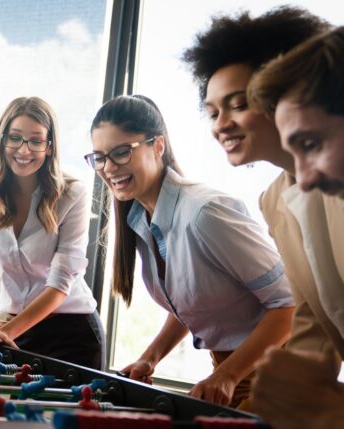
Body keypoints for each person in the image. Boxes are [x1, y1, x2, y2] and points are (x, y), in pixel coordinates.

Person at [181, 5, 342, 417]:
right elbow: (313, 328)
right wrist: (261, 413)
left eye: (237, 104)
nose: (221, 125)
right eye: (213, 111)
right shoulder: (274, 200)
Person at [87, 95, 294, 407]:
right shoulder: (141, 219)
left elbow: (288, 305)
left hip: (278, 374)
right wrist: (149, 359)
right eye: (99, 157)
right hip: (230, 371)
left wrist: (227, 374)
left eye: (120, 152)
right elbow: (191, 304)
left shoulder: (205, 212)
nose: (109, 167)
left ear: (157, 146)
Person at [0, 97, 104, 369]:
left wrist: (9, 332)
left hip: (72, 333)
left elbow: (62, 281)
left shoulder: (73, 193)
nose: (24, 150)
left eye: (36, 141)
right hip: (15, 329)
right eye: (15, 138)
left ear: (49, 147)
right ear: (1, 139)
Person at [245, 26, 344, 429]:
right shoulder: (278, 200)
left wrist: (328, 414)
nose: (304, 180)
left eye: (312, 145)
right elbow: (314, 321)